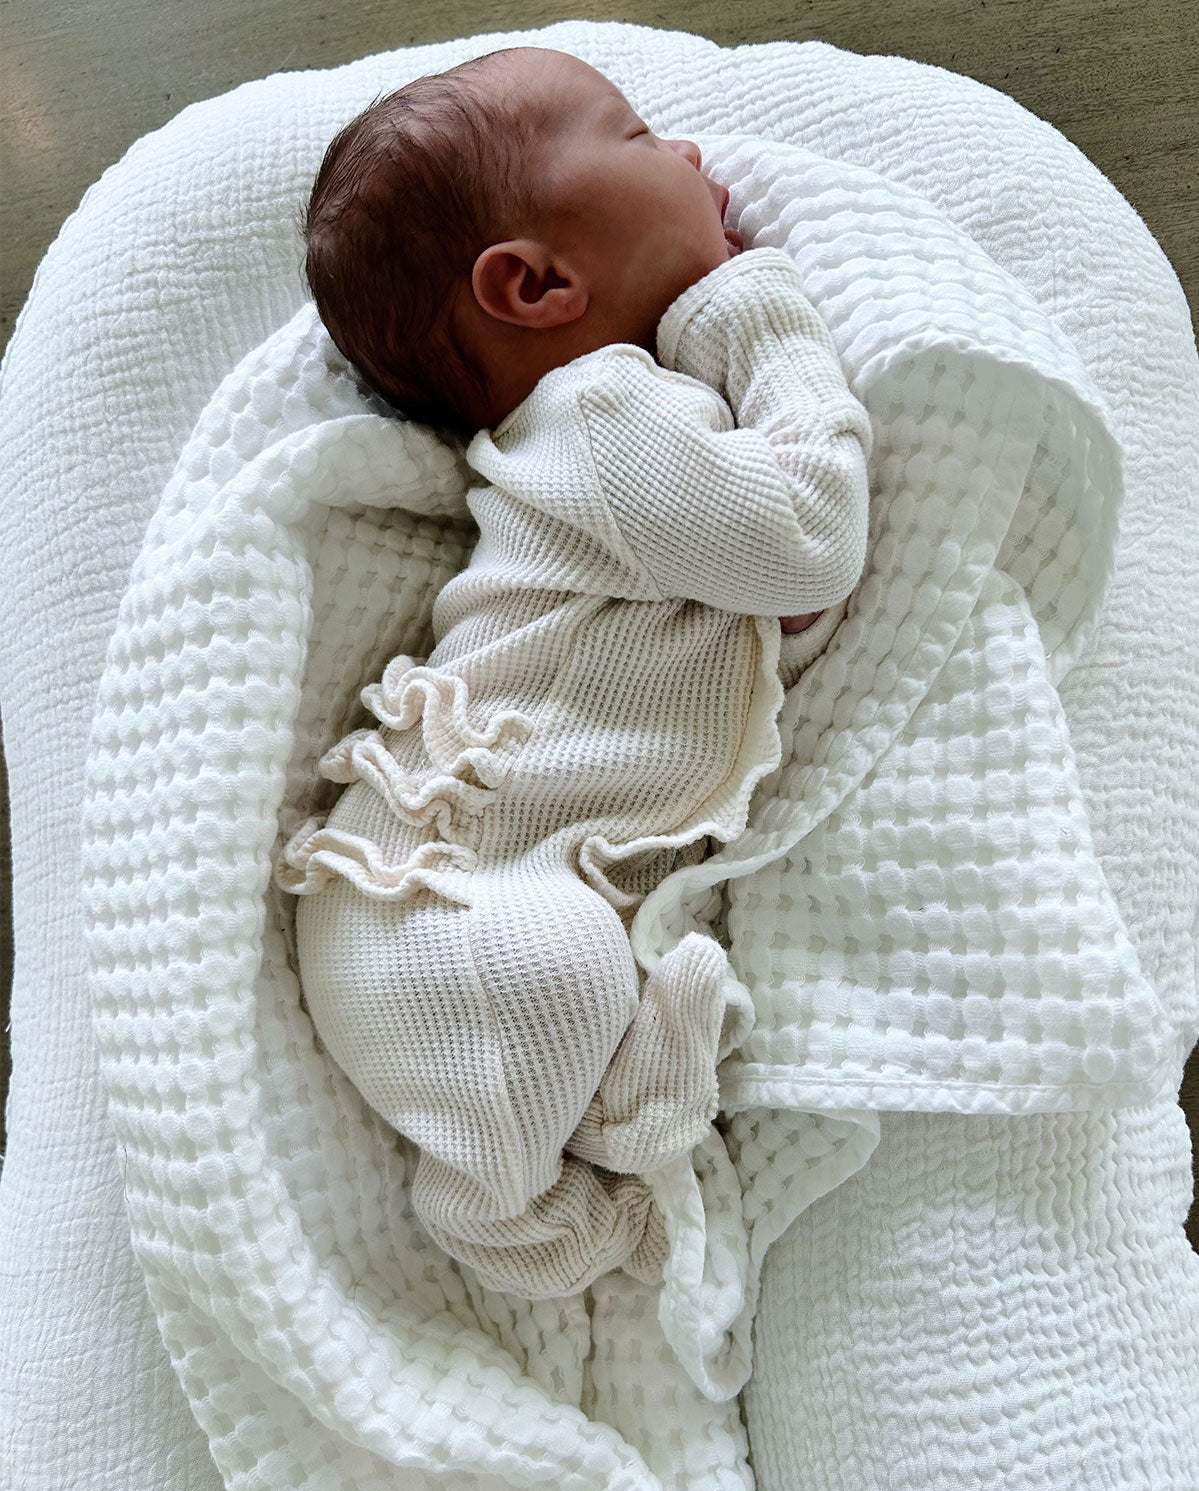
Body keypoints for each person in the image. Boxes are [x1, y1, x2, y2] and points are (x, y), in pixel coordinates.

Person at [274, 46, 873, 1299]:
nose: (690, 155)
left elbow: (785, 592)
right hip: (439, 906)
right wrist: (756, 313)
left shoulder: (615, 433)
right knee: (552, 982)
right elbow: (808, 529)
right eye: (640, 135)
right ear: (535, 283)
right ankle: (504, 1211)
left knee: (567, 986)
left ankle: (597, 1118)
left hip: (460, 905)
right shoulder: (601, 415)